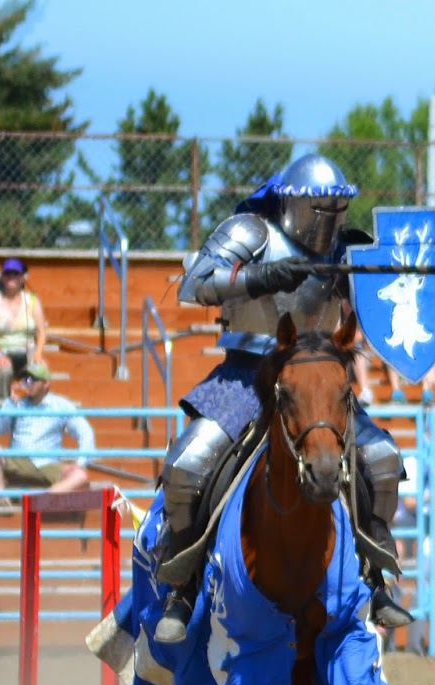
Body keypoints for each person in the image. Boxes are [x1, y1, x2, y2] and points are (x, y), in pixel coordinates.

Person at [158, 152, 410, 642]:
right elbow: (195, 283)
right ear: (293, 203)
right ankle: (182, 587)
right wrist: (263, 276)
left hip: (315, 378)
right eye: (319, 208)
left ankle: (376, 576)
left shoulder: (347, 249)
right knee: (187, 466)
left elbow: (381, 298)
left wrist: (377, 276)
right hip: (247, 374)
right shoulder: (252, 233)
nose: (328, 221)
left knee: (382, 460)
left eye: (336, 210)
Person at [0, 364, 93, 494]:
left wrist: (80, 463)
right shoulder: (16, 403)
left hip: (47, 464)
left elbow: (85, 432)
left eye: (32, 380)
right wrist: (11, 403)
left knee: (80, 476)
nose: (27, 383)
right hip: (17, 460)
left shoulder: (60, 405)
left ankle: (41, 500)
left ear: (46, 384)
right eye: (24, 379)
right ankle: (2, 497)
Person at [0, 259, 47, 398]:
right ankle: (4, 404)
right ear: (2, 276)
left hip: (27, 351)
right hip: (3, 351)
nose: (11, 277)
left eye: (15, 274)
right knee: (4, 372)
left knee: (41, 371)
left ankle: (34, 405)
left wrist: (38, 354)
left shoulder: (32, 300)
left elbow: (41, 331)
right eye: (8, 273)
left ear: (22, 277)